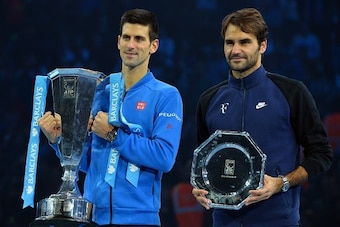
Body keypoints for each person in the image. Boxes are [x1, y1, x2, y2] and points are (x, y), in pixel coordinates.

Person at [38, 8, 183, 226]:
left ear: (154, 45)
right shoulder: (100, 91)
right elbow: (88, 162)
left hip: (140, 218)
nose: (131, 45)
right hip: (94, 216)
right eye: (126, 37)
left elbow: (164, 157)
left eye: (139, 39)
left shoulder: (165, 95)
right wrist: (58, 140)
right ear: (118, 41)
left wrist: (114, 135)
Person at [192, 7, 333, 227]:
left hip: (277, 220)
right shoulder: (209, 100)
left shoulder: (292, 92)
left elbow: (322, 154)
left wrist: (281, 183)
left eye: (244, 42)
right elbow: (204, 161)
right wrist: (200, 187)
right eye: (230, 43)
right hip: (222, 222)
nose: (235, 50)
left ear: (262, 46)